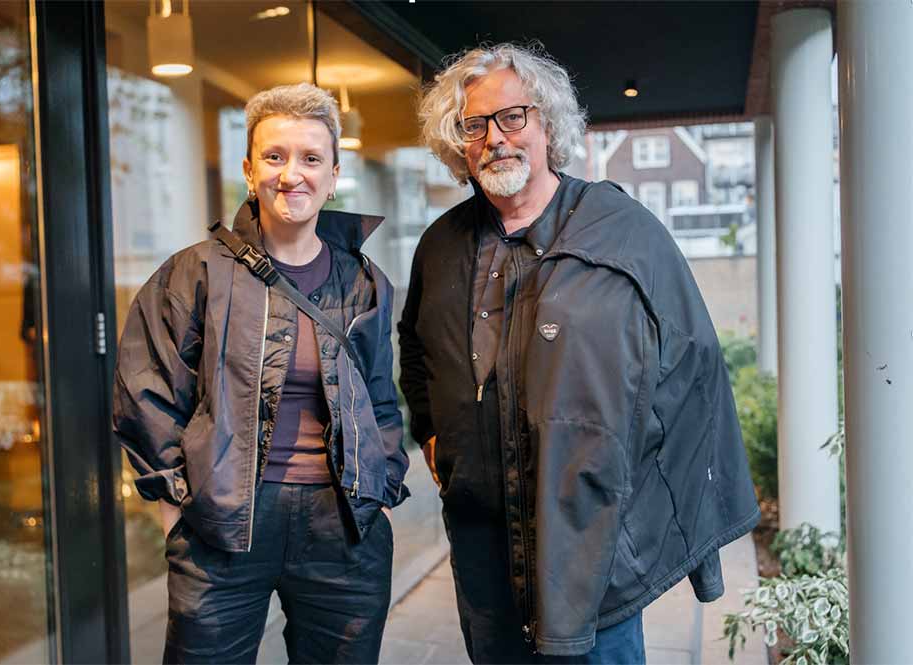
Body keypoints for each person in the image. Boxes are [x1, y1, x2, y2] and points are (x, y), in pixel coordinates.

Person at [399, 43, 759, 663]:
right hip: (483, 547)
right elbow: (416, 350)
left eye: (513, 116)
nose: (495, 138)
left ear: (547, 123)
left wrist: (644, 505)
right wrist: (433, 438)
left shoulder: (623, 230)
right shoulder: (441, 244)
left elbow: (692, 372)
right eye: (474, 124)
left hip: (593, 546)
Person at [114, 82, 409, 664]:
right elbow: (147, 393)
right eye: (274, 156)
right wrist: (178, 509)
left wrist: (382, 490)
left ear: (333, 175)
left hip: (344, 523)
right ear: (249, 171)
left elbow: (379, 398)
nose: (291, 174)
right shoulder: (195, 273)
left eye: (311, 158)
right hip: (223, 522)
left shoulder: (364, 281)